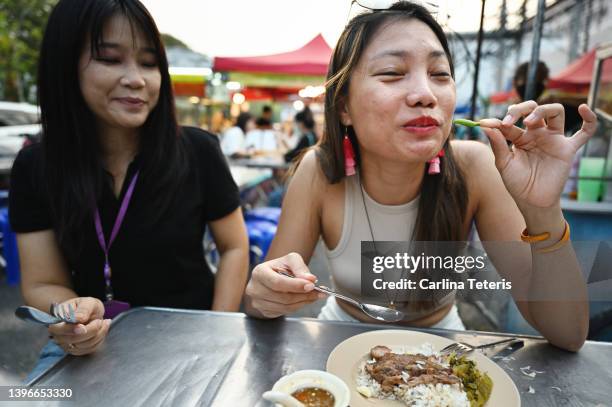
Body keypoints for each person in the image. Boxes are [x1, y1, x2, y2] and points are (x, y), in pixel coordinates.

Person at [243, 1, 597, 351]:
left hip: (443, 350)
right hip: (339, 342)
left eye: (439, 74)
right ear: (344, 107)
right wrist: (264, 295)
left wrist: (543, 211)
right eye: (393, 73)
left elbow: (567, 334)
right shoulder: (320, 170)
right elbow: (263, 305)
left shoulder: (475, 167)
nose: (426, 95)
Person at [10, 0, 249, 379]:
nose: (137, 78)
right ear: (65, 65)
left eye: (150, 63)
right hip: (91, 346)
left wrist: (217, 329)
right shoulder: (36, 166)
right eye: (110, 58)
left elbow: (235, 247)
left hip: (191, 334)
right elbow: (41, 283)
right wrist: (72, 315)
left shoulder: (198, 150)